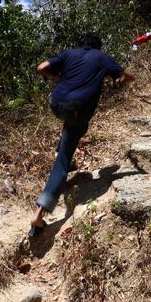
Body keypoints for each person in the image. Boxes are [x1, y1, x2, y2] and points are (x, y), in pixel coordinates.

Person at [29, 35, 134, 237]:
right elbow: (125, 76)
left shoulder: (69, 53)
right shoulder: (102, 57)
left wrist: (56, 79)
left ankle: (64, 152)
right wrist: (126, 78)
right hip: (76, 108)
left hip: (56, 102)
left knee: (74, 128)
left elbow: (42, 67)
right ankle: (39, 213)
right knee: (63, 159)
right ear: (98, 45)